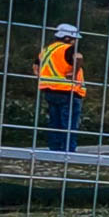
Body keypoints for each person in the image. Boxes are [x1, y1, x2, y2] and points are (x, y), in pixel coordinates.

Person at [35, 23, 86, 152]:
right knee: (68, 124)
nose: (75, 42)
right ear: (67, 38)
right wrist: (74, 73)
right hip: (68, 91)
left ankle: (54, 150)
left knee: (54, 123)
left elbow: (36, 66)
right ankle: (68, 152)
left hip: (50, 91)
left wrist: (40, 76)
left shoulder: (46, 50)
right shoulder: (67, 48)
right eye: (75, 39)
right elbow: (79, 58)